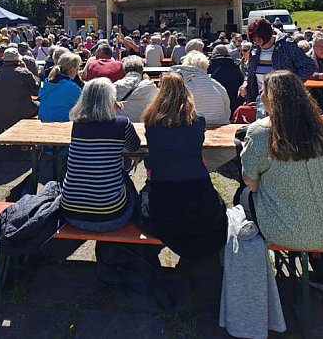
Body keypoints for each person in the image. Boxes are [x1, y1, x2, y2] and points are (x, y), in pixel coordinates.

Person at [240, 71, 323, 293]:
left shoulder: (260, 131)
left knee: (244, 195)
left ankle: (250, 273)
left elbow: (251, 182)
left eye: (264, 92)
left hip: (288, 230)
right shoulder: (321, 128)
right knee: (308, 198)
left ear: (272, 97)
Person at [140, 74, 227, 259]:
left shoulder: (151, 121)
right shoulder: (197, 120)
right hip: (197, 190)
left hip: (164, 194)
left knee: (142, 198)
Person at [60, 78, 141, 231]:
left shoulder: (78, 125)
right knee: (125, 180)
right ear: (110, 99)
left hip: (70, 211)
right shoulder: (122, 124)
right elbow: (134, 147)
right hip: (111, 215)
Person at [239, 18, 314, 108]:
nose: (256, 42)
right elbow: (250, 70)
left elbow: (308, 66)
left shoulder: (287, 45)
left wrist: (291, 83)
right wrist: (245, 83)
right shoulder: (254, 48)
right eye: (254, 39)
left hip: (285, 100)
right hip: (260, 100)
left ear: (267, 34)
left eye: (258, 39)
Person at [0, 48, 39, 134]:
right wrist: (27, 70)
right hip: (20, 113)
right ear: (17, 60)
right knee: (40, 105)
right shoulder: (24, 73)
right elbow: (36, 88)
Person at [38, 52, 83, 122]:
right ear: (72, 69)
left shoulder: (45, 82)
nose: (78, 71)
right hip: (62, 125)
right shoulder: (72, 87)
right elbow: (83, 106)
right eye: (78, 68)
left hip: (43, 120)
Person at [114, 55, 158, 123]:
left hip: (123, 125)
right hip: (143, 124)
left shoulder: (116, 86)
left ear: (125, 70)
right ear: (142, 70)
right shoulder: (151, 86)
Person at [208, 44, 245, 115]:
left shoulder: (211, 66)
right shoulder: (235, 66)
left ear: (215, 53)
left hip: (215, 103)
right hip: (233, 102)